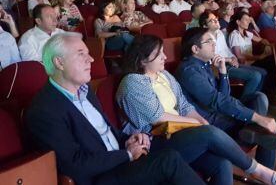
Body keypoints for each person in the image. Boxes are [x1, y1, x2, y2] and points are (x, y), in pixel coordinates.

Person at [26, 32, 206, 185]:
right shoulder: (44, 109)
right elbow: (74, 165)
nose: (91, 59)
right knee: (169, 159)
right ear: (59, 62)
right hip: (101, 177)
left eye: (88, 53)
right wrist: (127, 154)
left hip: (119, 162)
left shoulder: (85, 91)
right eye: (81, 54)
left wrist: (129, 139)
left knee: (192, 158)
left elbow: (107, 134)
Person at [117, 35, 276, 185]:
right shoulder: (133, 81)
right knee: (208, 131)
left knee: (222, 163)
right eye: (158, 54)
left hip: (180, 133)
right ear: (142, 60)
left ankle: (252, 136)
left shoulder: (164, 76)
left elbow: (185, 106)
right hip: (155, 141)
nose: (164, 56)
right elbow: (158, 117)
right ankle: (259, 171)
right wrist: (198, 123)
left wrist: (200, 121)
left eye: (163, 51)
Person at [177, 28, 276, 172]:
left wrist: (223, 72)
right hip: (211, 121)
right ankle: (257, 137)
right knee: (267, 129)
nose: (214, 44)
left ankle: (251, 131)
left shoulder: (205, 65)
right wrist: (257, 118)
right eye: (209, 41)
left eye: (213, 41)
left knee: (259, 97)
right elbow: (217, 101)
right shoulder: (189, 71)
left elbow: (225, 96)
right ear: (195, 48)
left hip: (220, 114)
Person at [199, 11, 265, 100]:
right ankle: (243, 104)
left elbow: (226, 50)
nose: (216, 21)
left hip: (229, 63)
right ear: (205, 25)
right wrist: (229, 59)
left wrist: (233, 57)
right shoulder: (203, 38)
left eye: (216, 19)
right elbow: (212, 58)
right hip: (219, 67)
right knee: (256, 76)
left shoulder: (219, 33)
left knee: (263, 73)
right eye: (212, 21)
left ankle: (253, 101)